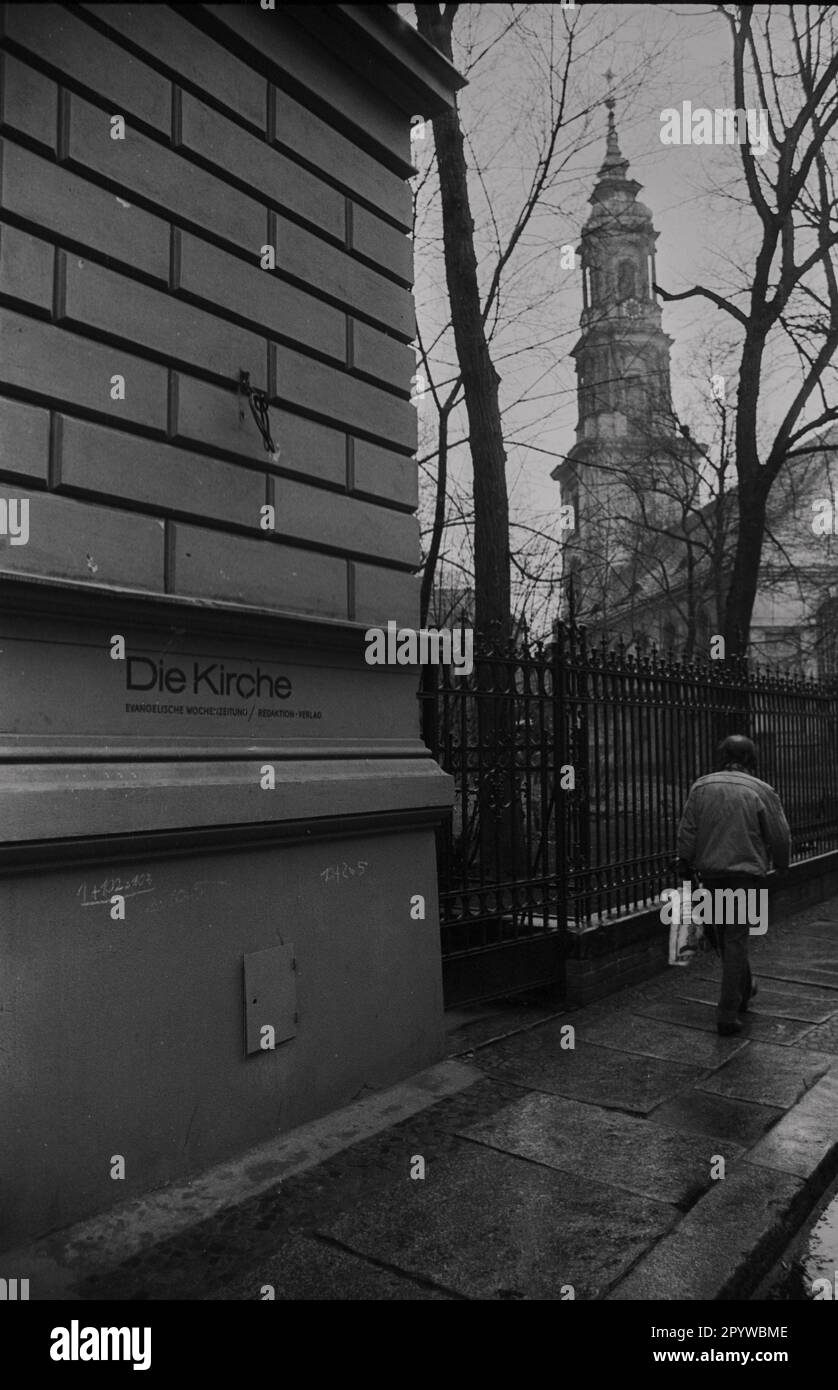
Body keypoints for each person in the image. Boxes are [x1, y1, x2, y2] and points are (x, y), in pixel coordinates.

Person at [675, 734, 791, 1036]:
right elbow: (779, 835)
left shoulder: (701, 786)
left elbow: (688, 829)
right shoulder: (761, 790)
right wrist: (782, 865)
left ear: (721, 756)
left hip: (711, 874)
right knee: (736, 938)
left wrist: (684, 861)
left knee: (724, 937)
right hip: (744, 875)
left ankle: (745, 987)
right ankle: (727, 1012)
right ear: (752, 759)